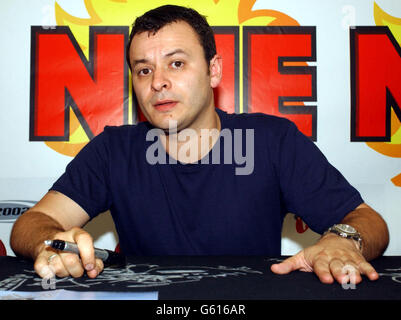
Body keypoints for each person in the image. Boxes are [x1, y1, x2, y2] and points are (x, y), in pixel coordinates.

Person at [11, 5, 388, 285]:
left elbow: (368, 221)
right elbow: (31, 223)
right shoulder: (113, 151)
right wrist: (51, 242)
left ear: (213, 70)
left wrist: (344, 242)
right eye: (144, 70)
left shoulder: (272, 140)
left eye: (176, 64)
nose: (157, 82)